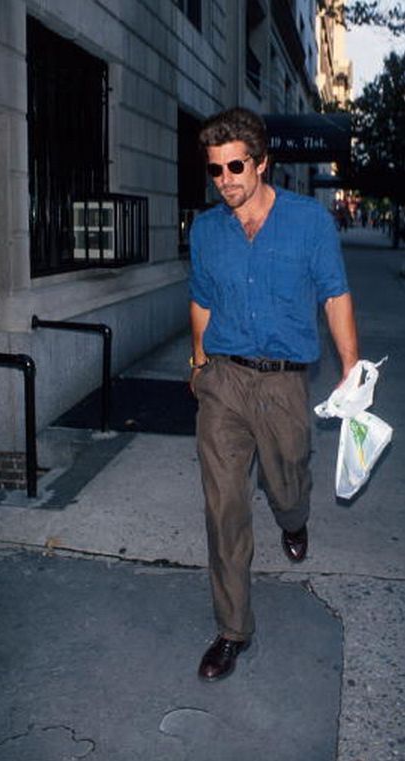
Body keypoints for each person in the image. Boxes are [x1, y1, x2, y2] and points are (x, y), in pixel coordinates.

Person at [189, 107, 358, 682]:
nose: (226, 179)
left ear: (263, 163)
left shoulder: (309, 222)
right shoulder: (207, 230)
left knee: (287, 480)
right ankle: (232, 630)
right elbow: (202, 300)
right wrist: (198, 362)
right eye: (216, 170)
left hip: (285, 380)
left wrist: (351, 365)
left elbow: (335, 295)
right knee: (224, 508)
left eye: (236, 166)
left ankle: (294, 518)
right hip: (225, 381)